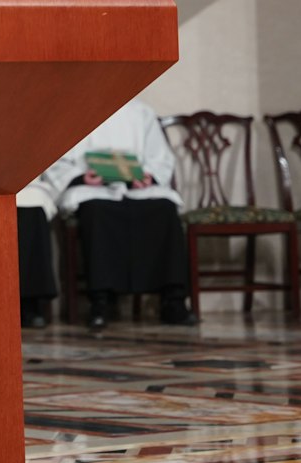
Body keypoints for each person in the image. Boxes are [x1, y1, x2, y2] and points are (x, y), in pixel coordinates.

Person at [17, 99, 195, 329]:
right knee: (97, 212)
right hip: (92, 188)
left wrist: (149, 175)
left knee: (164, 208)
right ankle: (100, 302)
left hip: (138, 187)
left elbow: (159, 158)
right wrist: (82, 177)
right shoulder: (71, 112)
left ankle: (174, 301)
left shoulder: (140, 112)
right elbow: (59, 160)